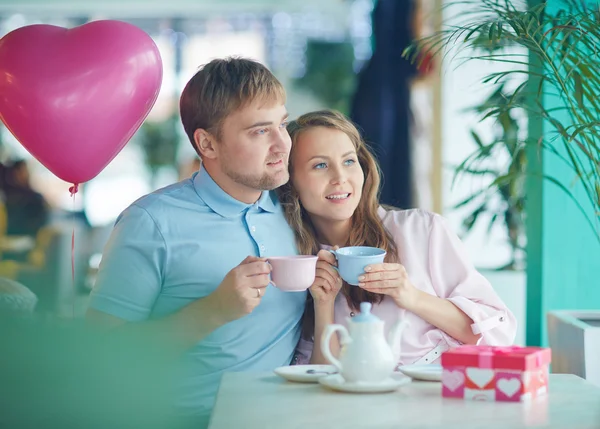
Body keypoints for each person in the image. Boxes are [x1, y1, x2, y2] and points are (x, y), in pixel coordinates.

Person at [85, 57, 305, 426]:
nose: (283, 143)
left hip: (287, 415)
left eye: (282, 124)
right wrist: (212, 311)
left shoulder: (295, 209)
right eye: (259, 131)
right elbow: (101, 355)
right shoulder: (150, 222)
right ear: (207, 143)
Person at [277, 110, 517, 367]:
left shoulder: (422, 230)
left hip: (439, 396)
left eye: (349, 161)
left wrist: (411, 295)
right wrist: (323, 305)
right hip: (353, 404)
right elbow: (318, 381)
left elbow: (498, 333)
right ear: (291, 183)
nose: (340, 178)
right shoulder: (296, 264)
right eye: (320, 165)